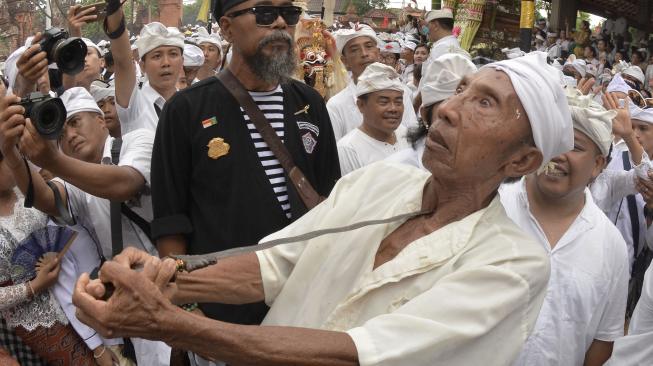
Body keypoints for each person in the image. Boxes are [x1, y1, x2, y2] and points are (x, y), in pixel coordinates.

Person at [74, 51, 572, 366]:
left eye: (485, 103)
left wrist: (167, 321)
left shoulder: (513, 264)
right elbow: (274, 265)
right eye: (461, 89)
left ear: (523, 159)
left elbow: (354, 355)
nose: (447, 108)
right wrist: (164, 278)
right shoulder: (383, 180)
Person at [149, 0, 341, 351]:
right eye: (266, 13)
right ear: (226, 27)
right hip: (224, 319)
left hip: (306, 309)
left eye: (290, 13)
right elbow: (171, 225)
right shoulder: (186, 110)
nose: (281, 22)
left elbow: (332, 204)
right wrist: (190, 310)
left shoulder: (310, 103)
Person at [0, 85, 168, 364]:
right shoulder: (75, 182)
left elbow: (123, 183)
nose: (71, 135)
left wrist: (53, 159)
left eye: (75, 122)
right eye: (61, 132)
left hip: (177, 285)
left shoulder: (138, 141)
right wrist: (13, 152)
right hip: (132, 307)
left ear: (101, 119)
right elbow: (44, 198)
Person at [503, 88, 629, 366]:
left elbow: (602, 342)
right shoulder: (493, 208)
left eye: (574, 146)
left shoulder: (611, 246)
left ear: (597, 165)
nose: (558, 154)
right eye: (553, 141)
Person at [104, 2, 184, 134]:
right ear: (143, 66)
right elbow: (122, 62)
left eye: (173, 54)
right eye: (157, 56)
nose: (166, 63)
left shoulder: (190, 103)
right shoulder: (134, 104)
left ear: (182, 62)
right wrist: (113, 7)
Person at [327, 24, 418, 140]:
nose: (364, 54)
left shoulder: (400, 92)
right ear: (344, 61)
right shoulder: (336, 105)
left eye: (369, 47)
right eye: (355, 50)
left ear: (378, 53)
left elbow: (413, 138)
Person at [389, 53, 477, 170]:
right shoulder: (398, 170)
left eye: (468, 112)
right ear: (425, 116)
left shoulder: (488, 173)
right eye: (447, 117)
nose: (460, 122)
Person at [337, 62, 409, 175]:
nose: (393, 108)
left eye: (398, 102)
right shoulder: (348, 150)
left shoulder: (405, 134)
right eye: (384, 102)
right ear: (361, 105)